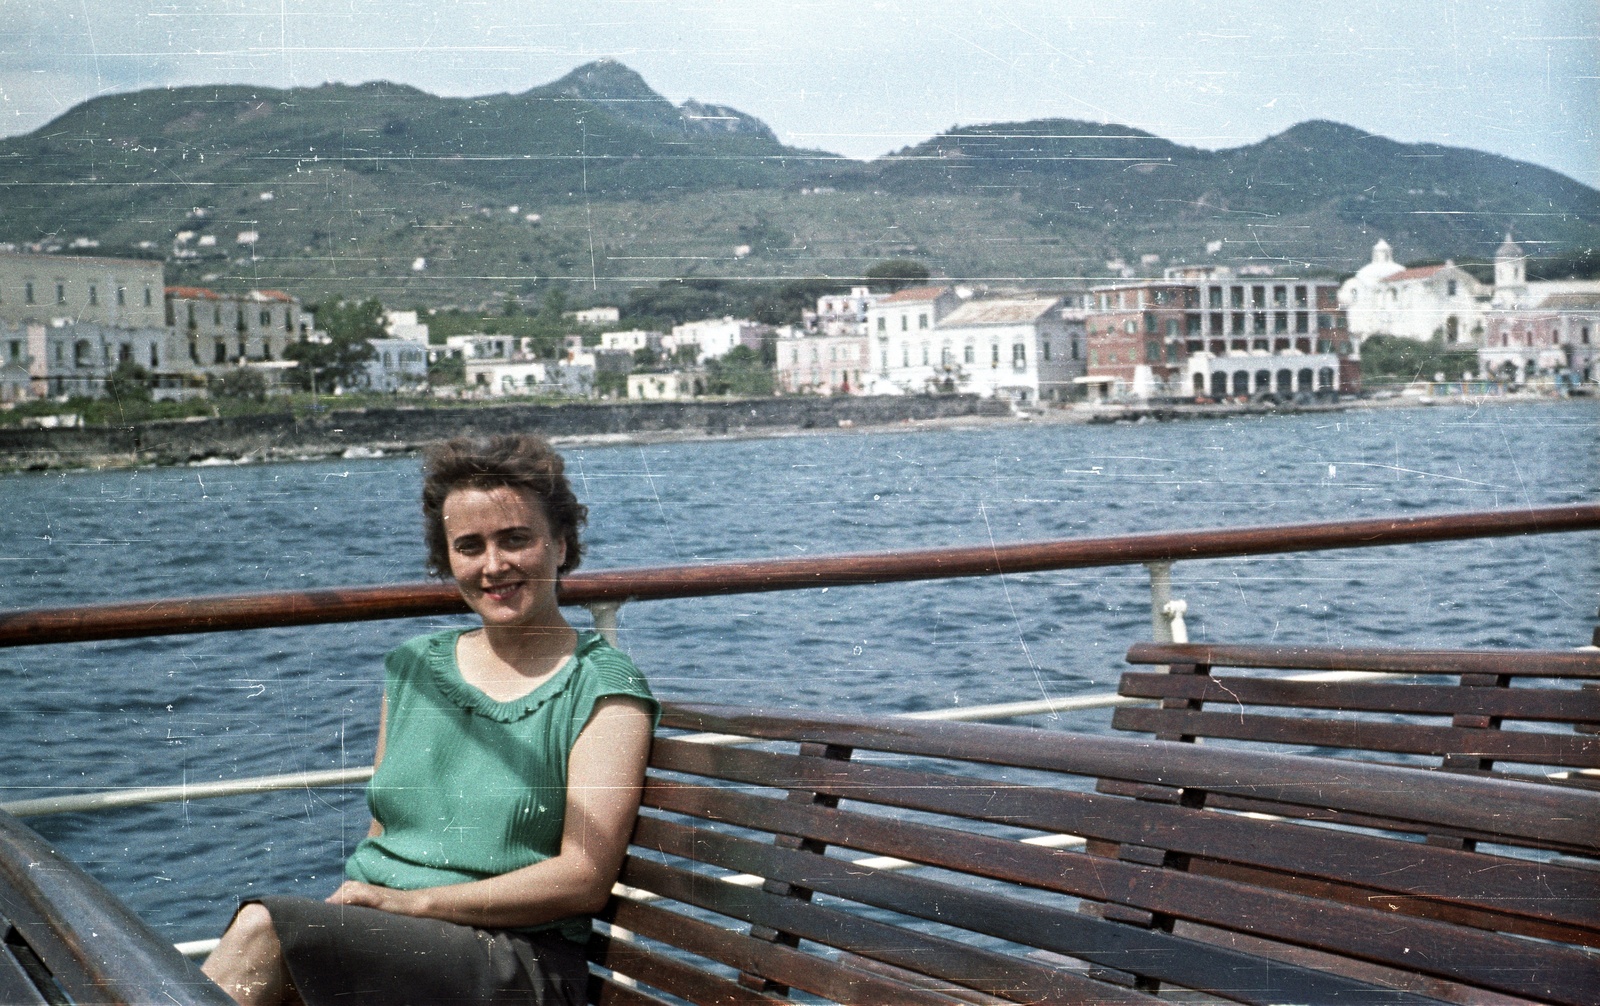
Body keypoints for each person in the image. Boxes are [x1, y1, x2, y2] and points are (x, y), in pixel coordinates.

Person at [202, 434, 658, 1005]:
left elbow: (583, 879)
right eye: (469, 546)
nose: (494, 566)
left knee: (261, 931)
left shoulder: (602, 686)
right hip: (403, 946)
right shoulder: (415, 667)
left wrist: (413, 904)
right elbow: (385, 834)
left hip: (514, 962)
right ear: (448, 560)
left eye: (516, 540)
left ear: (561, 545)